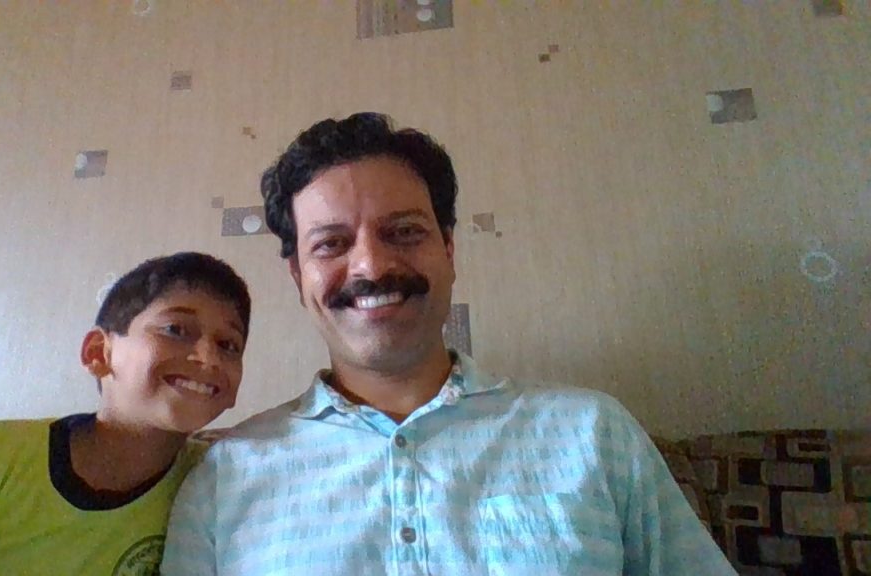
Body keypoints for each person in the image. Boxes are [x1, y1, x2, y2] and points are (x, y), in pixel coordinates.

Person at [161, 113, 736, 575]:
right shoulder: (224, 477)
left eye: (404, 232)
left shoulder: (594, 433)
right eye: (331, 244)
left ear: (449, 250)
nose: (371, 266)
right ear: (297, 276)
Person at [0, 252, 250, 576]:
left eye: (229, 345)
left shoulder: (219, 483)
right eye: (176, 330)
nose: (209, 357)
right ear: (98, 353)